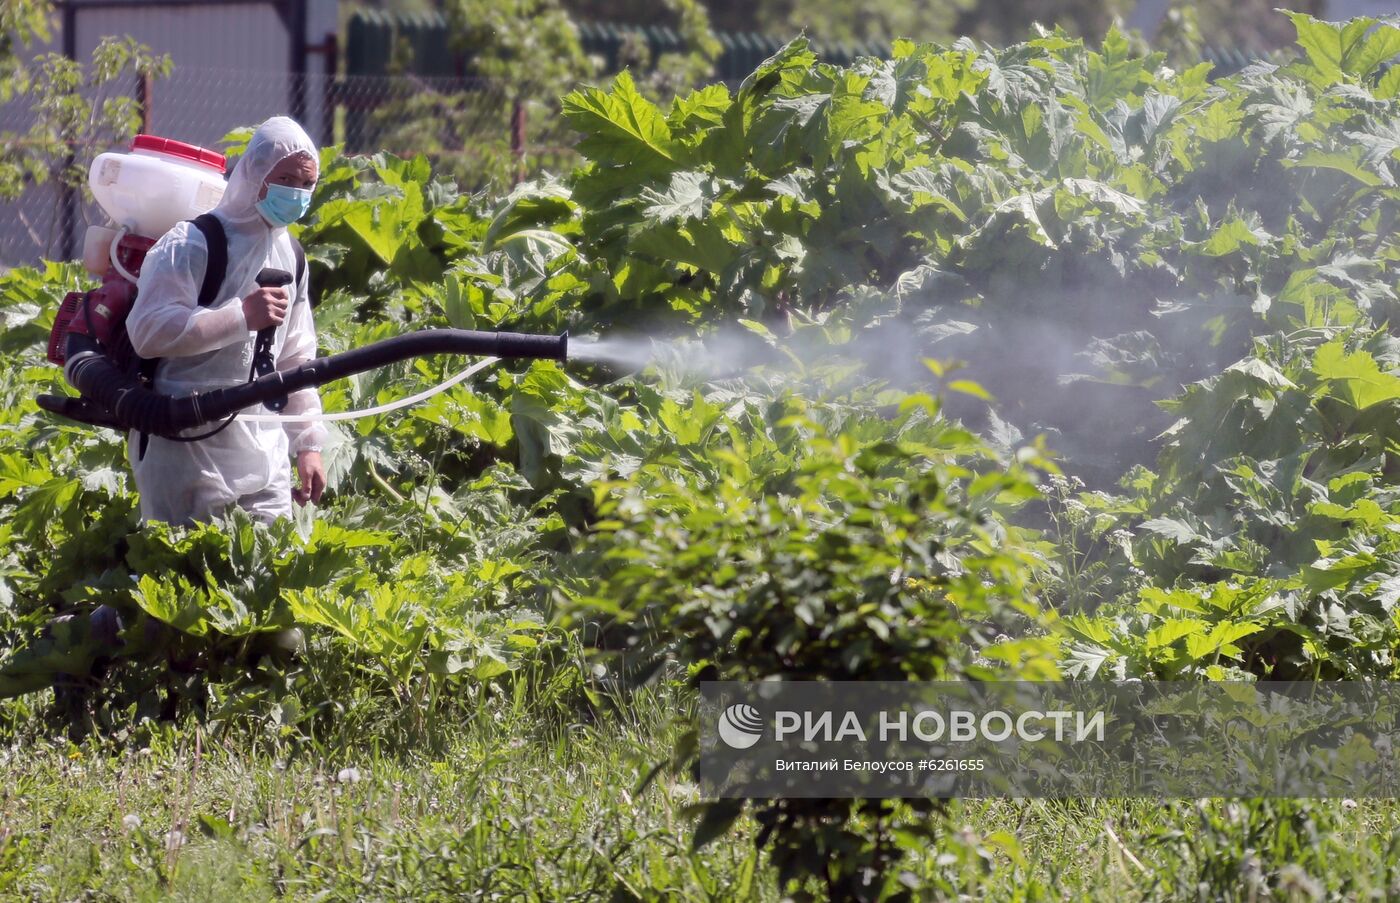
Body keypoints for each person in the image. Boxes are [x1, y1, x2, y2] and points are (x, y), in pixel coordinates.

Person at [125, 116, 328, 526]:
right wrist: (240, 317)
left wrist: (307, 445)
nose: (296, 193)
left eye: (306, 184)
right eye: (286, 178)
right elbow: (148, 332)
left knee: (271, 571)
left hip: (261, 445)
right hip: (184, 444)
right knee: (180, 574)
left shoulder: (293, 255)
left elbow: (295, 360)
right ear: (254, 174)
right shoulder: (194, 243)